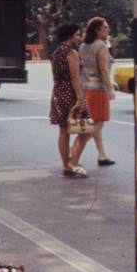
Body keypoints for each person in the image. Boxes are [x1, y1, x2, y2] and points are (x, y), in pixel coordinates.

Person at [49, 22, 89, 177]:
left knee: (64, 130)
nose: (80, 37)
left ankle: (66, 164)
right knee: (86, 129)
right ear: (71, 36)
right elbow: (74, 77)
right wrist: (80, 97)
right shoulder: (71, 53)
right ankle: (72, 161)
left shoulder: (56, 53)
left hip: (58, 92)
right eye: (78, 34)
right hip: (70, 93)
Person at [77, 16, 115, 166]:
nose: (108, 29)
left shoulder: (83, 46)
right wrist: (110, 89)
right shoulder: (100, 46)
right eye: (105, 27)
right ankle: (73, 157)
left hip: (86, 88)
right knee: (95, 125)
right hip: (99, 90)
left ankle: (102, 155)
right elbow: (104, 71)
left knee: (95, 123)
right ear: (98, 30)